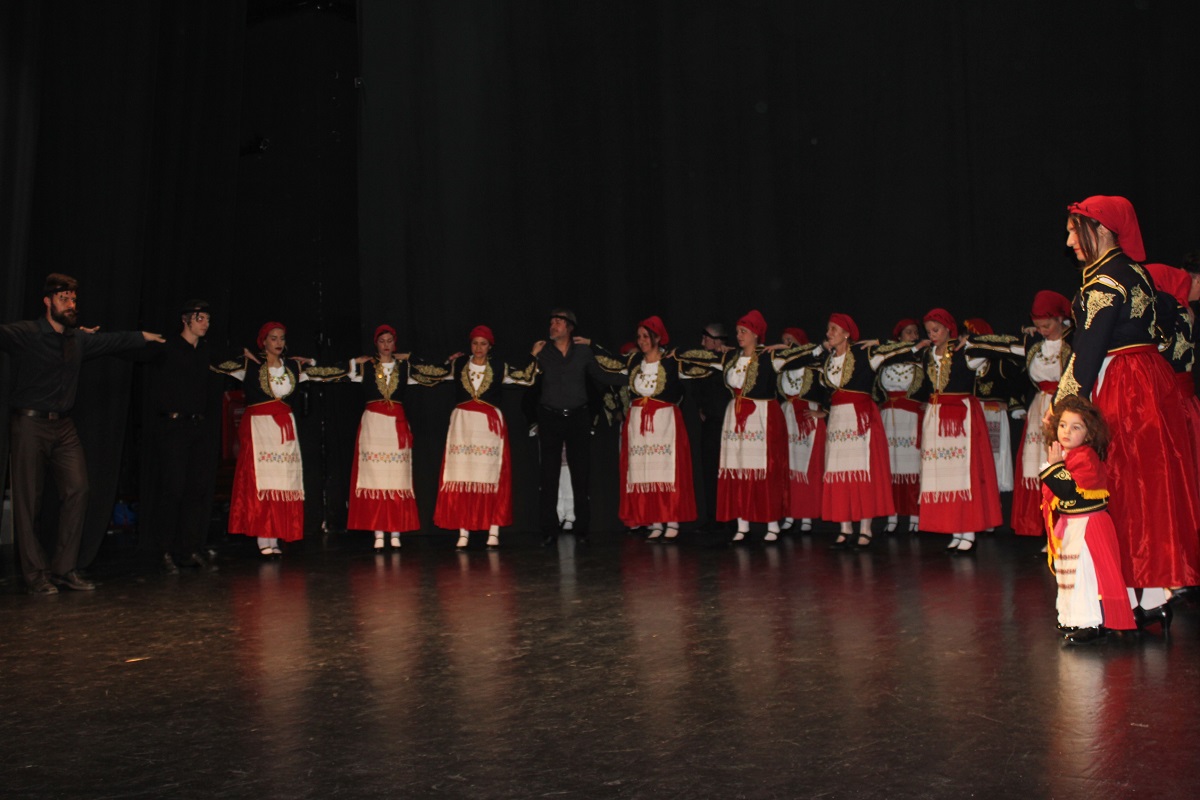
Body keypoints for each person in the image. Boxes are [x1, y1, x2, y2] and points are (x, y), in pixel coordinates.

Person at [1056, 195, 1200, 625]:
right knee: (1147, 485)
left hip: (1123, 385)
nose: (1069, 241)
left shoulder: (1105, 281)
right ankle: (1151, 597)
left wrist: (1064, 409)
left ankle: (1124, 597)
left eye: (1074, 231)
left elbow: (1087, 351)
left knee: (1118, 481)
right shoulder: (1137, 273)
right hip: (1151, 382)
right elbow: (1162, 326)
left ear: (1101, 230)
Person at [0, 273, 163, 593]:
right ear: (48, 302)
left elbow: (112, 341)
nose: (71, 304)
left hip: (63, 425)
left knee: (79, 489)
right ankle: (36, 575)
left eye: (73, 299)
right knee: (28, 502)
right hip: (30, 425)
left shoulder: (78, 339)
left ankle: (64, 568)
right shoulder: (29, 333)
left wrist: (142, 336)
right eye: (64, 299)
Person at [679, 310, 800, 543]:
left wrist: (782, 347)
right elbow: (690, 356)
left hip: (761, 417)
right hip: (735, 418)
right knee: (738, 470)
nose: (739, 335)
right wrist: (714, 352)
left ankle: (772, 524)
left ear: (756, 334)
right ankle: (743, 525)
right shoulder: (731, 358)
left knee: (764, 471)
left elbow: (809, 353)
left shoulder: (769, 357)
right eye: (737, 332)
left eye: (744, 331)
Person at [216, 322, 331, 557]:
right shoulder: (249, 365)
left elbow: (327, 373)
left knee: (282, 483)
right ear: (264, 342)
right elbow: (215, 362)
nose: (279, 343)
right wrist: (239, 352)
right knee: (261, 481)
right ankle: (263, 536)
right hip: (259, 428)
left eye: (282, 338)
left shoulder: (292, 366)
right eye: (273, 338)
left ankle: (275, 534)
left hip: (284, 430)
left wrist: (312, 362)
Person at [419, 325, 537, 548]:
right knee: (462, 476)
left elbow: (526, 378)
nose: (479, 347)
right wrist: (408, 359)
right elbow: (433, 373)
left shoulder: (499, 366)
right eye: (475, 343)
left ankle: (494, 529)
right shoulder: (459, 364)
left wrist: (533, 355)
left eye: (483, 344)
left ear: (490, 346)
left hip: (488, 427)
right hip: (463, 425)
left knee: (490, 476)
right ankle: (463, 530)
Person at [788, 314, 896, 548]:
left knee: (862, 473)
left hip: (860, 420)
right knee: (838, 473)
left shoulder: (865, 354)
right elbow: (801, 367)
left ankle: (865, 529)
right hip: (838, 421)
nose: (829, 333)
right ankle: (844, 528)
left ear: (847, 334)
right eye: (828, 329)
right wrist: (824, 411)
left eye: (834, 329)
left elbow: (905, 349)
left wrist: (879, 342)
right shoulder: (827, 359)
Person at [1040, 396, 1137, 644]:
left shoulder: (1086, 457)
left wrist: (1054, 468)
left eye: (1076, 427)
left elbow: (1069, 492)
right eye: (1063, 425)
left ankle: (1091, 622)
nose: (1066, 431)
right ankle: (1073, 617)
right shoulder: (1069, 454)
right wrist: (1056, 465)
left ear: (1089, 433)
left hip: (1088, 527)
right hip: (1073, 526)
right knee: (1071, 576)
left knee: (1086, 576)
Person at [530, 308, 627, 545]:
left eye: (558, 322)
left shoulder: (583, 352)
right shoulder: (543, 352)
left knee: (581, 474)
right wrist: (532, 357)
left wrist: (633, 374)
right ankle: (548, 530)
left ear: (570, 327)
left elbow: (605, 374)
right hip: (550, 418)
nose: (553, 325)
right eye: (551, 322)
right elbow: (526, 379)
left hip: (577, 418)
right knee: (548, 476)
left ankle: (582, 529)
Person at [912, 308, 1002, 552]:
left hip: (961, 418)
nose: (932, 335)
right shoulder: (928, 354)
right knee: (942, 475)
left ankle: (968, 531)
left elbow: (993, 347)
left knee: (963, 474)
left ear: (948, 328)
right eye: (929, 331)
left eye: (936, 330)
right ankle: (955, 530)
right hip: (936, 416)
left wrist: (972, 341)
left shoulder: (964, 352)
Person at [145, 299, 221, 573]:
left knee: (196, 489)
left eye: (208, 319)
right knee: (173, 489)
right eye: (200, 318)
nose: (205, 324)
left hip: (198, 427)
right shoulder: (168, 346)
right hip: (173, 427)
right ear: (186, 319)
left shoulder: (205, 351)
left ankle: (189, 550)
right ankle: (163, 551)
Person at [615, 316, 697, 541]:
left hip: (663, 422)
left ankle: (672, 519)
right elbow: (608, 363)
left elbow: (698, 366)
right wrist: (591, 345)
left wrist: (679, 353)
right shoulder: (635, 362)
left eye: (646, 336)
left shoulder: (671, 361)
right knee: (644, 471)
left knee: (666, 470)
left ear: (658, 338)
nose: (641, 341)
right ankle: (655, 520)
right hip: (639, 424)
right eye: (639, 337)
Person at [345, 324, 420, 550]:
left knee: (397, 477)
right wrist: (353, 361)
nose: (386, 345)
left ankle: (395, 532)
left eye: (389, 341)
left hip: (396, 425)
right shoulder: (366, 366)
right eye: (382, 341)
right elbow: (338, 372)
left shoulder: (404, 367)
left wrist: (411, 356)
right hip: (374, 425)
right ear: (375, 344)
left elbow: (433, 371)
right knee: (375, 478)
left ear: (395, 343)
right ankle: (378, 532)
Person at [679, 322, 731, 533]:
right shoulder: (701, 362)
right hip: (710, 422)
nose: (702, 343)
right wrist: (702, 407)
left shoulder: (730, 359)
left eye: (706, 339)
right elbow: (695, 387)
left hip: (729, 424)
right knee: (709, 470)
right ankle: (713, 517)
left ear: (717, 341)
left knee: (728, 472)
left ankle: (731, 518)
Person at [776, 327, 827, 533]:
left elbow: (831, 388)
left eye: (790, 339)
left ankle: (807, 515)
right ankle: (789, 514)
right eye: (784, 340)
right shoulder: (781, 367)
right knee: (788, 468)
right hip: (787, 418)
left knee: (808, 470)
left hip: (808, 420)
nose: (787, 344)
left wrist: (824, 411)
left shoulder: (815, 366)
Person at [876, 318, 924, 533]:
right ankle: (892, 515)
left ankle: (915, 515)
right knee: (891, 468)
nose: (913, 336)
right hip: (889, 419)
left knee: (912, 468)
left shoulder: (921, 361)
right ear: (899, 337)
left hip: (911, 418)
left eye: (915, 332)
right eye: (908, 332)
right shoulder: (886, 362)